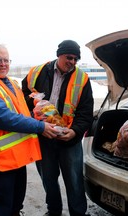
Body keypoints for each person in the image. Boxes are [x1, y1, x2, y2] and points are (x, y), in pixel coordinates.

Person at [0, 44, 59, 216]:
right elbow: (4, 118)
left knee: (14, 207)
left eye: (6, 60)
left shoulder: (10, 83)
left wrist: (35, 113)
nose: (3, 64)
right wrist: (40, 127)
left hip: (14, 160)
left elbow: (19, 113)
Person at [22, 40, 94, 216]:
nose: (72, 62)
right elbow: (21, 97)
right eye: (69, 57)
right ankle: (53, 211)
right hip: (44, 136)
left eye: (76, 59)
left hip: (69, 138)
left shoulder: (82, 79)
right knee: (48, 179)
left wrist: (75, 132)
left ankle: (78, 213)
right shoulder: (37, 72)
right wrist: (33, 102)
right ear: (59, 55)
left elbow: (86, 113)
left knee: (75, 181)